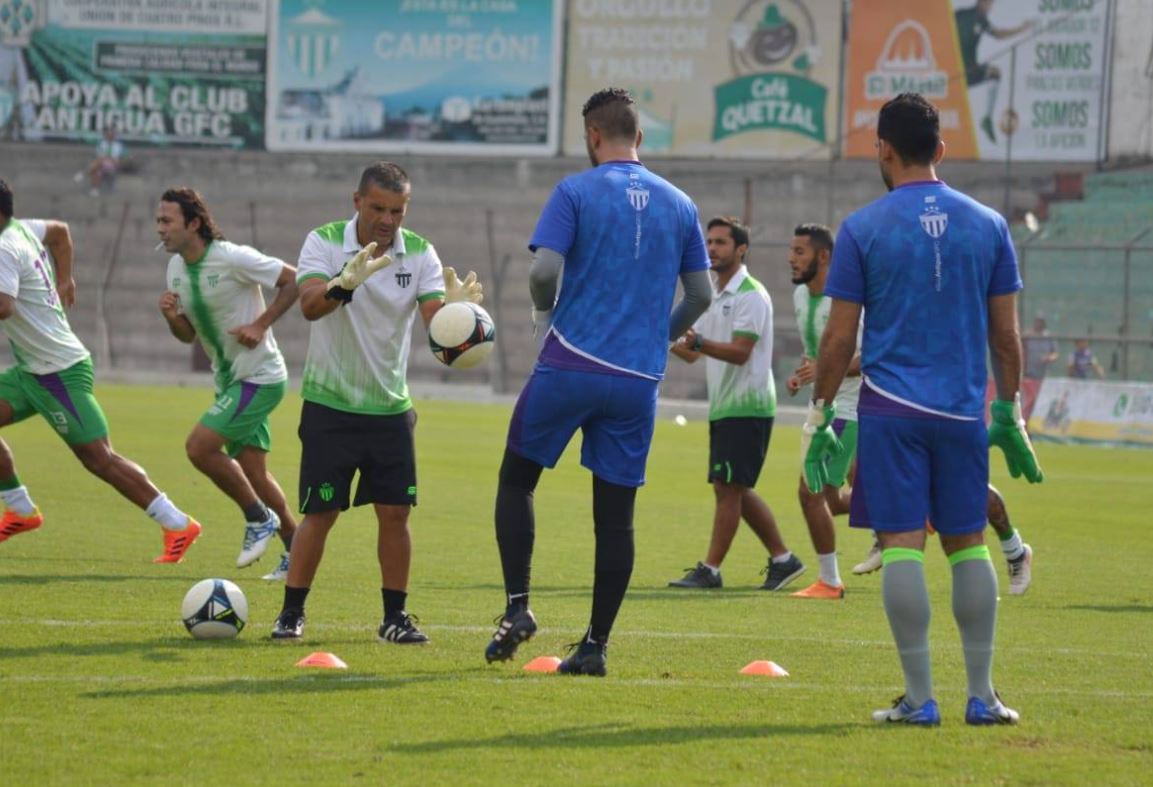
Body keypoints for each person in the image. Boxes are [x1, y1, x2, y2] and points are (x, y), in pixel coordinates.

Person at [801, 93, 1043, 726]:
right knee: (968, 546)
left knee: (903, 546)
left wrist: (820, 414)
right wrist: (1010, 412)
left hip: (891, 411)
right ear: (940, 149)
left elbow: (838, 340)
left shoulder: (862, 228)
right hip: (963, 411)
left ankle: (919, 698)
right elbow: (1007, 337)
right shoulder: (988, 225)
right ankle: (984, 697)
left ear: (882, 148)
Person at [483, 87, 713, 676]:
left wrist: (542, 313)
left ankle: (518, 607)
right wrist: (658, 337)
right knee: (615, 518)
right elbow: (701, 295)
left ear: (592, 136)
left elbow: (543, 271)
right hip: (637, 380)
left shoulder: (576, 190)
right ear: (639, 136)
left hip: (570, 364)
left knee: (518, 480)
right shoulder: (681, 204)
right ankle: (595, 647)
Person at [269, 161, 483, 642]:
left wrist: (458, 315)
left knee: (395, 514)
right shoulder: (322, 240)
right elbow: (307, 306)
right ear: (357, 201)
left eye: (398, 211)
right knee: (320, 514)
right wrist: (345, 282)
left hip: (390, 410)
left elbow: (436, 327)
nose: (388, 220)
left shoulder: (421, 252)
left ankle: (394, 618)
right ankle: (291, 612)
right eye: (379, 208)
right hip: (330, 406)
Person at [0, 178, 201, 560]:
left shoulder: (4, 247)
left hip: (59, 373)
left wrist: (62, 279)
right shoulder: (22, 228)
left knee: (99, 458)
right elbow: (61, 233)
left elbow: (4, 306)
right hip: (31, 371)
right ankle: (20, 509)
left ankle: (178, 523)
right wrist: (65, 278)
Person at [156, 187, 299, 580]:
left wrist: (260, 324)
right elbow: (188, 336)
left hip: (260, 378)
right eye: (159, 221)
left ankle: (257, 518)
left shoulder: (232, 257)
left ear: (195, 223)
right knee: (254, 474)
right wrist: (172, 318)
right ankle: (296, 551)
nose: (160, 229)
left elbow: (295, 281)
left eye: (167, 221)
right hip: (230, 381)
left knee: (199, 448)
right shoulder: (176, 269)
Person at [665, 216, 804, 592]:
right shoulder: (712, 295)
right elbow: (695, 354)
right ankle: (783, 558)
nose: (711, 249)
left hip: (749, 405)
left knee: (729, 487)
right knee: (732, 487)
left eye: (720, 243)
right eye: (708, 242)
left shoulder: (751, 294)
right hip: (726, 406)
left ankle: (711, 569)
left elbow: (741, 353)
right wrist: (662, 339)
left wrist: (695, 344)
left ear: (741, 249)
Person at [783, 222, 861, 599]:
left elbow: (870, 358)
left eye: (800, 251)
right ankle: (907, 511)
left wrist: (826, 370)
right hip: (823, 407)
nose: (791, 258)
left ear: (824, 255)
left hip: (848, 408)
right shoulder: (800, 297)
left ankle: (830, 581)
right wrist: (805, 373)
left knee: (809, 490)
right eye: (792, 251)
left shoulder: (845, 302)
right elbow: (819, 353)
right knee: (830, 499)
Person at [855, 485, 1034, 596]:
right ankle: (886, 535)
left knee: (970, 487)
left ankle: (1016, 553)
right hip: (912, 424)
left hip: (955, 425)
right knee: (893, 467)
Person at [955, 0, 1032, 143]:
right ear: (980, 3)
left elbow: (998, 34)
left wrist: (1021, 29)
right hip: (957, 71)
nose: (989, 7)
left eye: (991, 4)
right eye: (988, 4)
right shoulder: (962, 15)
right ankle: (985, 120)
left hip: (971, 70)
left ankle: (987, 119)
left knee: (994, 73)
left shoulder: (982, 21)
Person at [1021, 313, 1058, 420]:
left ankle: (1035, 421)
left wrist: (1049, 358)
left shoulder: (1048, 336)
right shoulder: (1028, 335)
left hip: (1042, 374)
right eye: (1037, 321)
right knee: (1029, 399)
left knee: (1039, 399)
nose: (1038, 324)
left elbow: (1055, 353)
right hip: (1028, 373)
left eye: (1040, 322)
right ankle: (1026, 420)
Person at [74, 125, 123, 197]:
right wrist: (107, 157)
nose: (109, 136)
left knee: (99, 163)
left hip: (112, 165)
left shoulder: (118, 145)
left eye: (111, 134)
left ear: (114, 135)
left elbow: (116, 160)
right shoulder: (101, 144)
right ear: (105, 135)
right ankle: (95, 190)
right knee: (97, 169)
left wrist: (107, 157)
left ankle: (83, 174)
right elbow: (100, 156)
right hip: (102, 163)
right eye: (107, 134)